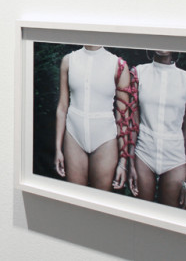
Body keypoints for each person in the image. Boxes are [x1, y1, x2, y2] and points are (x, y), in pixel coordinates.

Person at [54, 46, 136, 191]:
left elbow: (123, 117)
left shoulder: (118, 64)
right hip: (74, 135)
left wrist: (123, 162)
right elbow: (62, 107)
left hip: (105, 139)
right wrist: (58, 149)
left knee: (101, 201)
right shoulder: (68, 60)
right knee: (75, 199)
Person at [129, 51, 186, 209]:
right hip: (144, 152)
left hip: (174, 157)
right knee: (142, 216)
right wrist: (130, 163)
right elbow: (133, 122)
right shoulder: (138, 73)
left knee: (170, 219)